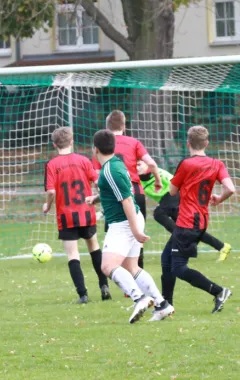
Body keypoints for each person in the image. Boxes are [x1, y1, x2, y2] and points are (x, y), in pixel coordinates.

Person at [87, 130, 174, 324]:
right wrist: (96, 198)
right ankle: (162, 305)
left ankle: (140, 298)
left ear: (95, 149)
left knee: (107, 266)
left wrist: (134, 230)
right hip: (131, 219)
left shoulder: (109, 170)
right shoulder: (117, 164)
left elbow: (126, 199)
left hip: (123, 223)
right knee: (132, 267)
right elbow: (119, 192)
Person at [160, 126, 236, 313]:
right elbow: (230, 188)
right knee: (166, 259)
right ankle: (166, 305)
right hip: (199, 219)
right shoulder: (217, 164)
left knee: (178, 267)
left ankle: (219, 291)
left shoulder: (186, 164)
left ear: (188, 144)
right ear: (206, 143)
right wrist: (219, 198)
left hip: (187, 221)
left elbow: (172, 191)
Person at [43, 127, 110, 303]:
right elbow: (98, 182)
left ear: (54, 144)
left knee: (73, 255)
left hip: (66, 216)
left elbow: (51, 192)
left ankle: (83, 295)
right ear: (72, 142)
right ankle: (104, 287)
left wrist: (47, 206)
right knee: (94, 247)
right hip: (86, 213)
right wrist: (98, 197)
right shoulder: (83, 160)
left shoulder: (52, 165)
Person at [92, 110, 162, 269]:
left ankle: (123, 276)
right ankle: (137, 274)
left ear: (107, 127)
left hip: (114, 198)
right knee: (138, 238)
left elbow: (97, 179)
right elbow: (151, 164)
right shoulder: (134, 142)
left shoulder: (101, 147)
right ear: (124, 126)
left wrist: (100, 196)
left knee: (116, 238)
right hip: (135, 192)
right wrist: (157, 181)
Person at [137, 161, 232, 262]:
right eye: (134, 165)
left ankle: (179, 236)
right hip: (167, 202)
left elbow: (177, 184)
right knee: (190, 230)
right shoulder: (138, 182)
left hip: (176, 197)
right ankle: (222, 246)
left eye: (139, 164)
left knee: (158, 214)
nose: (136, 167)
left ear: (148, 164)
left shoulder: (159, 173)